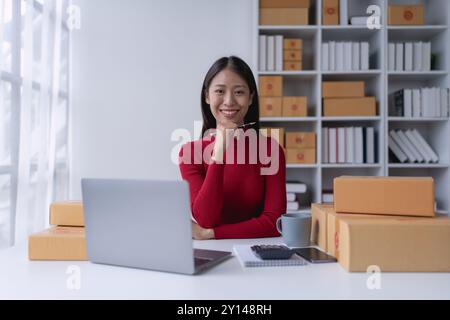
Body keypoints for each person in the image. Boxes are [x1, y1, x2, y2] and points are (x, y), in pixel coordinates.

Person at [178, 56, 286, 240]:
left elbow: (275, 222)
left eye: (239, 92)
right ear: (207, 96)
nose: (229, 101)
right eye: (220, 91)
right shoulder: (190, 153)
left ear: (251, 97)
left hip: (255, 249)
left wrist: (211, 234)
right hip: (210, 252)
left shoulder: (270, 150)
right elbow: (205, 218)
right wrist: (219, 151)